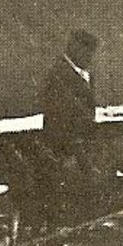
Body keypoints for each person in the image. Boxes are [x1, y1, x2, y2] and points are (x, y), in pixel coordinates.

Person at [40, 30, 101, 218]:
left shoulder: (79, 73)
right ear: (75, 48)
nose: (91, 57)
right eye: (88, 52)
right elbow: (62, 119)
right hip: (67, 150)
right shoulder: (60, 76)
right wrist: (75, 153)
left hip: (78, 148)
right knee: (71, 198)